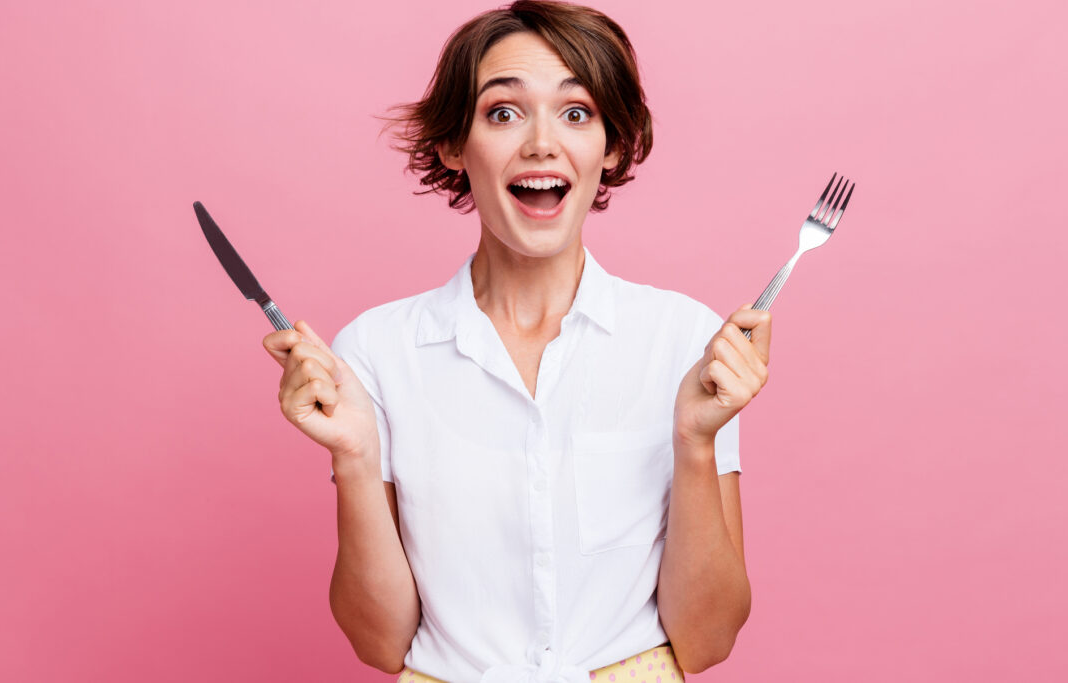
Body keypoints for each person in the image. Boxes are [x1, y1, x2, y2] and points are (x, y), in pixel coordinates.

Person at [262, 2, 772, 681]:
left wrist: (694, 440)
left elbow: (707, 640)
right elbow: (380, 644)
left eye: (576, 112)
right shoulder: (376, 354)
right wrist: (354, 457)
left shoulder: (683, 343)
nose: (541, 143)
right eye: (503, 112)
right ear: (453, 145)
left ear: (612, 146)